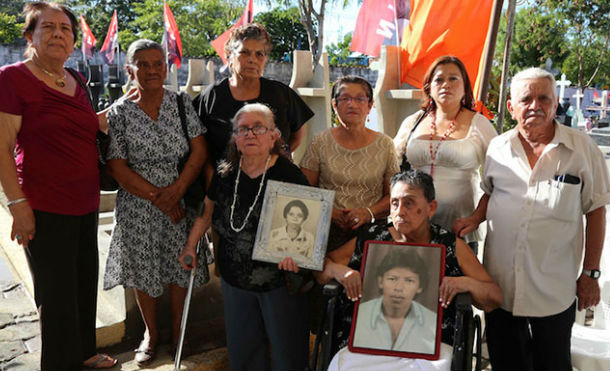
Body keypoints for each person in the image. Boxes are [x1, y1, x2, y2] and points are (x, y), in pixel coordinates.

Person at [454, 67, 610, 371]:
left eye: (543, 98)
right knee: (507, 363)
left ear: (555, 104)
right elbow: (490, 192)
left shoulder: (582, 149)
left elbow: (596, 210)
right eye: (526, 99)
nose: (535, 106)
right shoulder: (498, 148)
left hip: (554, 286)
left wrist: (590, 274)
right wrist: (474, 218)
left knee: (552, 364)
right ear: (511, 107)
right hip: (500, 285)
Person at [0, 2, 117, 370]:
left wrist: (116, 114)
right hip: (43, 205)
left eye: (65, 29)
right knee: (56, 295)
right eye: (48, 27)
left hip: (86, 201)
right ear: (30, 35)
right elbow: (2, 146)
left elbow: (84, 126)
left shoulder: (76, 80)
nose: (58, 34)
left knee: (83, 283)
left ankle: (85, 353)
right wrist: (17, 204)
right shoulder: (12, 78)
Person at [102, 39, 209, 366]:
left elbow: (199, 151)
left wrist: (176, 190)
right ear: (129, 69)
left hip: (181, 194)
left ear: (166, 66)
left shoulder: (180, 102)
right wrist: (159, 198)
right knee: (141, 267)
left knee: (180, 264)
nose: (151, 70)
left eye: (157, 63)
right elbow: (117, 166)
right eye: (142, 64)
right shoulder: (119, 111)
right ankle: (151, 333)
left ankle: (178, 329)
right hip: (138, 202)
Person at [179, 103, 310, 371]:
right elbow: (206, 211)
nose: (250, 134)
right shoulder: (225, 173)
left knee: (288, 352)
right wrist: (191, 245)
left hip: (278, 280)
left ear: (274, 136)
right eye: (243, 129)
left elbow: (308, 222)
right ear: (235, 139)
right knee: (243, 352)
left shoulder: (289, 175)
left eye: (258, 128)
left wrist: (298, 256)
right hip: (234, 278)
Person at [315, 169, 502, 355]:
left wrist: (465, 283)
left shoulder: (450, 246)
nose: (400, 211)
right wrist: (339, 272)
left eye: (409, 203)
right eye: (394, 203)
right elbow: (320, 269)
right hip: (367, 343)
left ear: (431, 207)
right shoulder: (372, 239)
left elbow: (494, 298)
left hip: (431, 347)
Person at [394, 56, 496, 252]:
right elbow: (390, 164)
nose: (445, 85)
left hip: (459, 228)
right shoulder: (413, 122)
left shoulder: (480, 124)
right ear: (429, 87)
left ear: (465, 86)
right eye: (439, 79)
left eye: (453, 79)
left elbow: (499, 180)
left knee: (455, 282)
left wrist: (475, 218)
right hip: (414, 226)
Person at [194, 23, 313, 179]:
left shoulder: (281, 94)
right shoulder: (211, 97)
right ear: (230, 55)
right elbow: (199, 145)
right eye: (244, 52)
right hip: (225, 187)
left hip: (275, 184)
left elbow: (298, 135)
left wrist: (274, 154)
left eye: (259, 54)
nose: (252, 60)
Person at [301, 75, 399, 249]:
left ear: (370, 106)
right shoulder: (320, 142)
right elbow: (305, 189)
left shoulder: (385, 144)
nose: (352, 104)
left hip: (371, 229)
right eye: (345, 98)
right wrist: (330, 211)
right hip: (326, 228)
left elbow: (393, 195)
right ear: (334, 105)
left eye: (360, 99)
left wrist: (368, 213)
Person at [352, 249, 436, 353]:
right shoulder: (360, 314)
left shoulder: (432, 321)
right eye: (392, 279)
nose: (399, 288)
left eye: (409, 280)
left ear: (420, 287)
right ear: (380, 281)